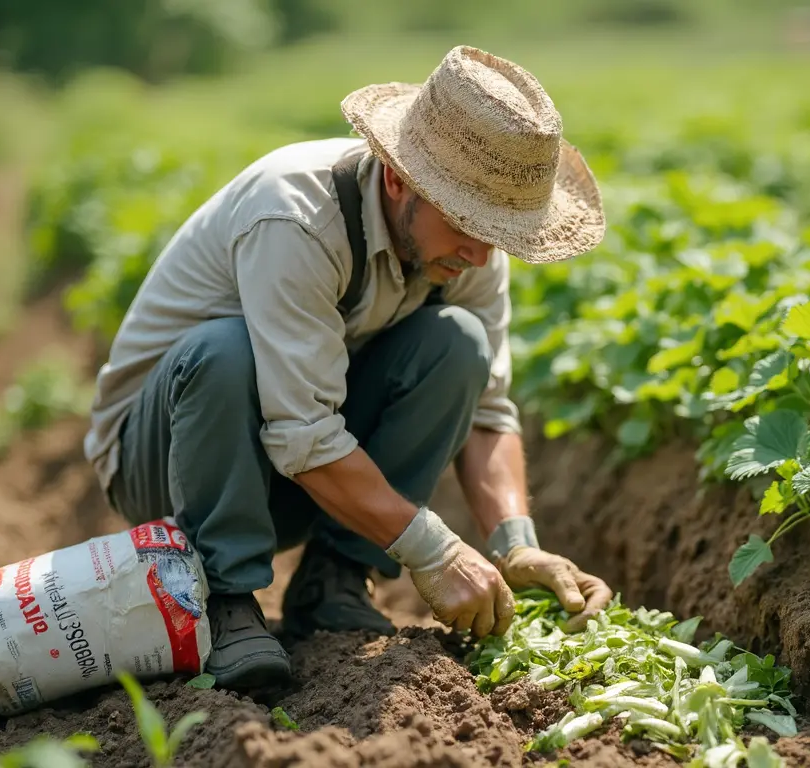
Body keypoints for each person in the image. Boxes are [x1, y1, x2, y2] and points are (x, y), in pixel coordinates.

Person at [82, 45, 615, 690]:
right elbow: (301, 431)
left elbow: (488, 411)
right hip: (165, 466)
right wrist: (434, 551)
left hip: (295, 466)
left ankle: (334, 578)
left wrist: (515, 542)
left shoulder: (469, 252)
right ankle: (219, 595)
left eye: (498, 231)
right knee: (225, 350)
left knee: (459, 342)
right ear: (398, 180)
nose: (480, 253)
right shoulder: (297, 215)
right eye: (467, 223)